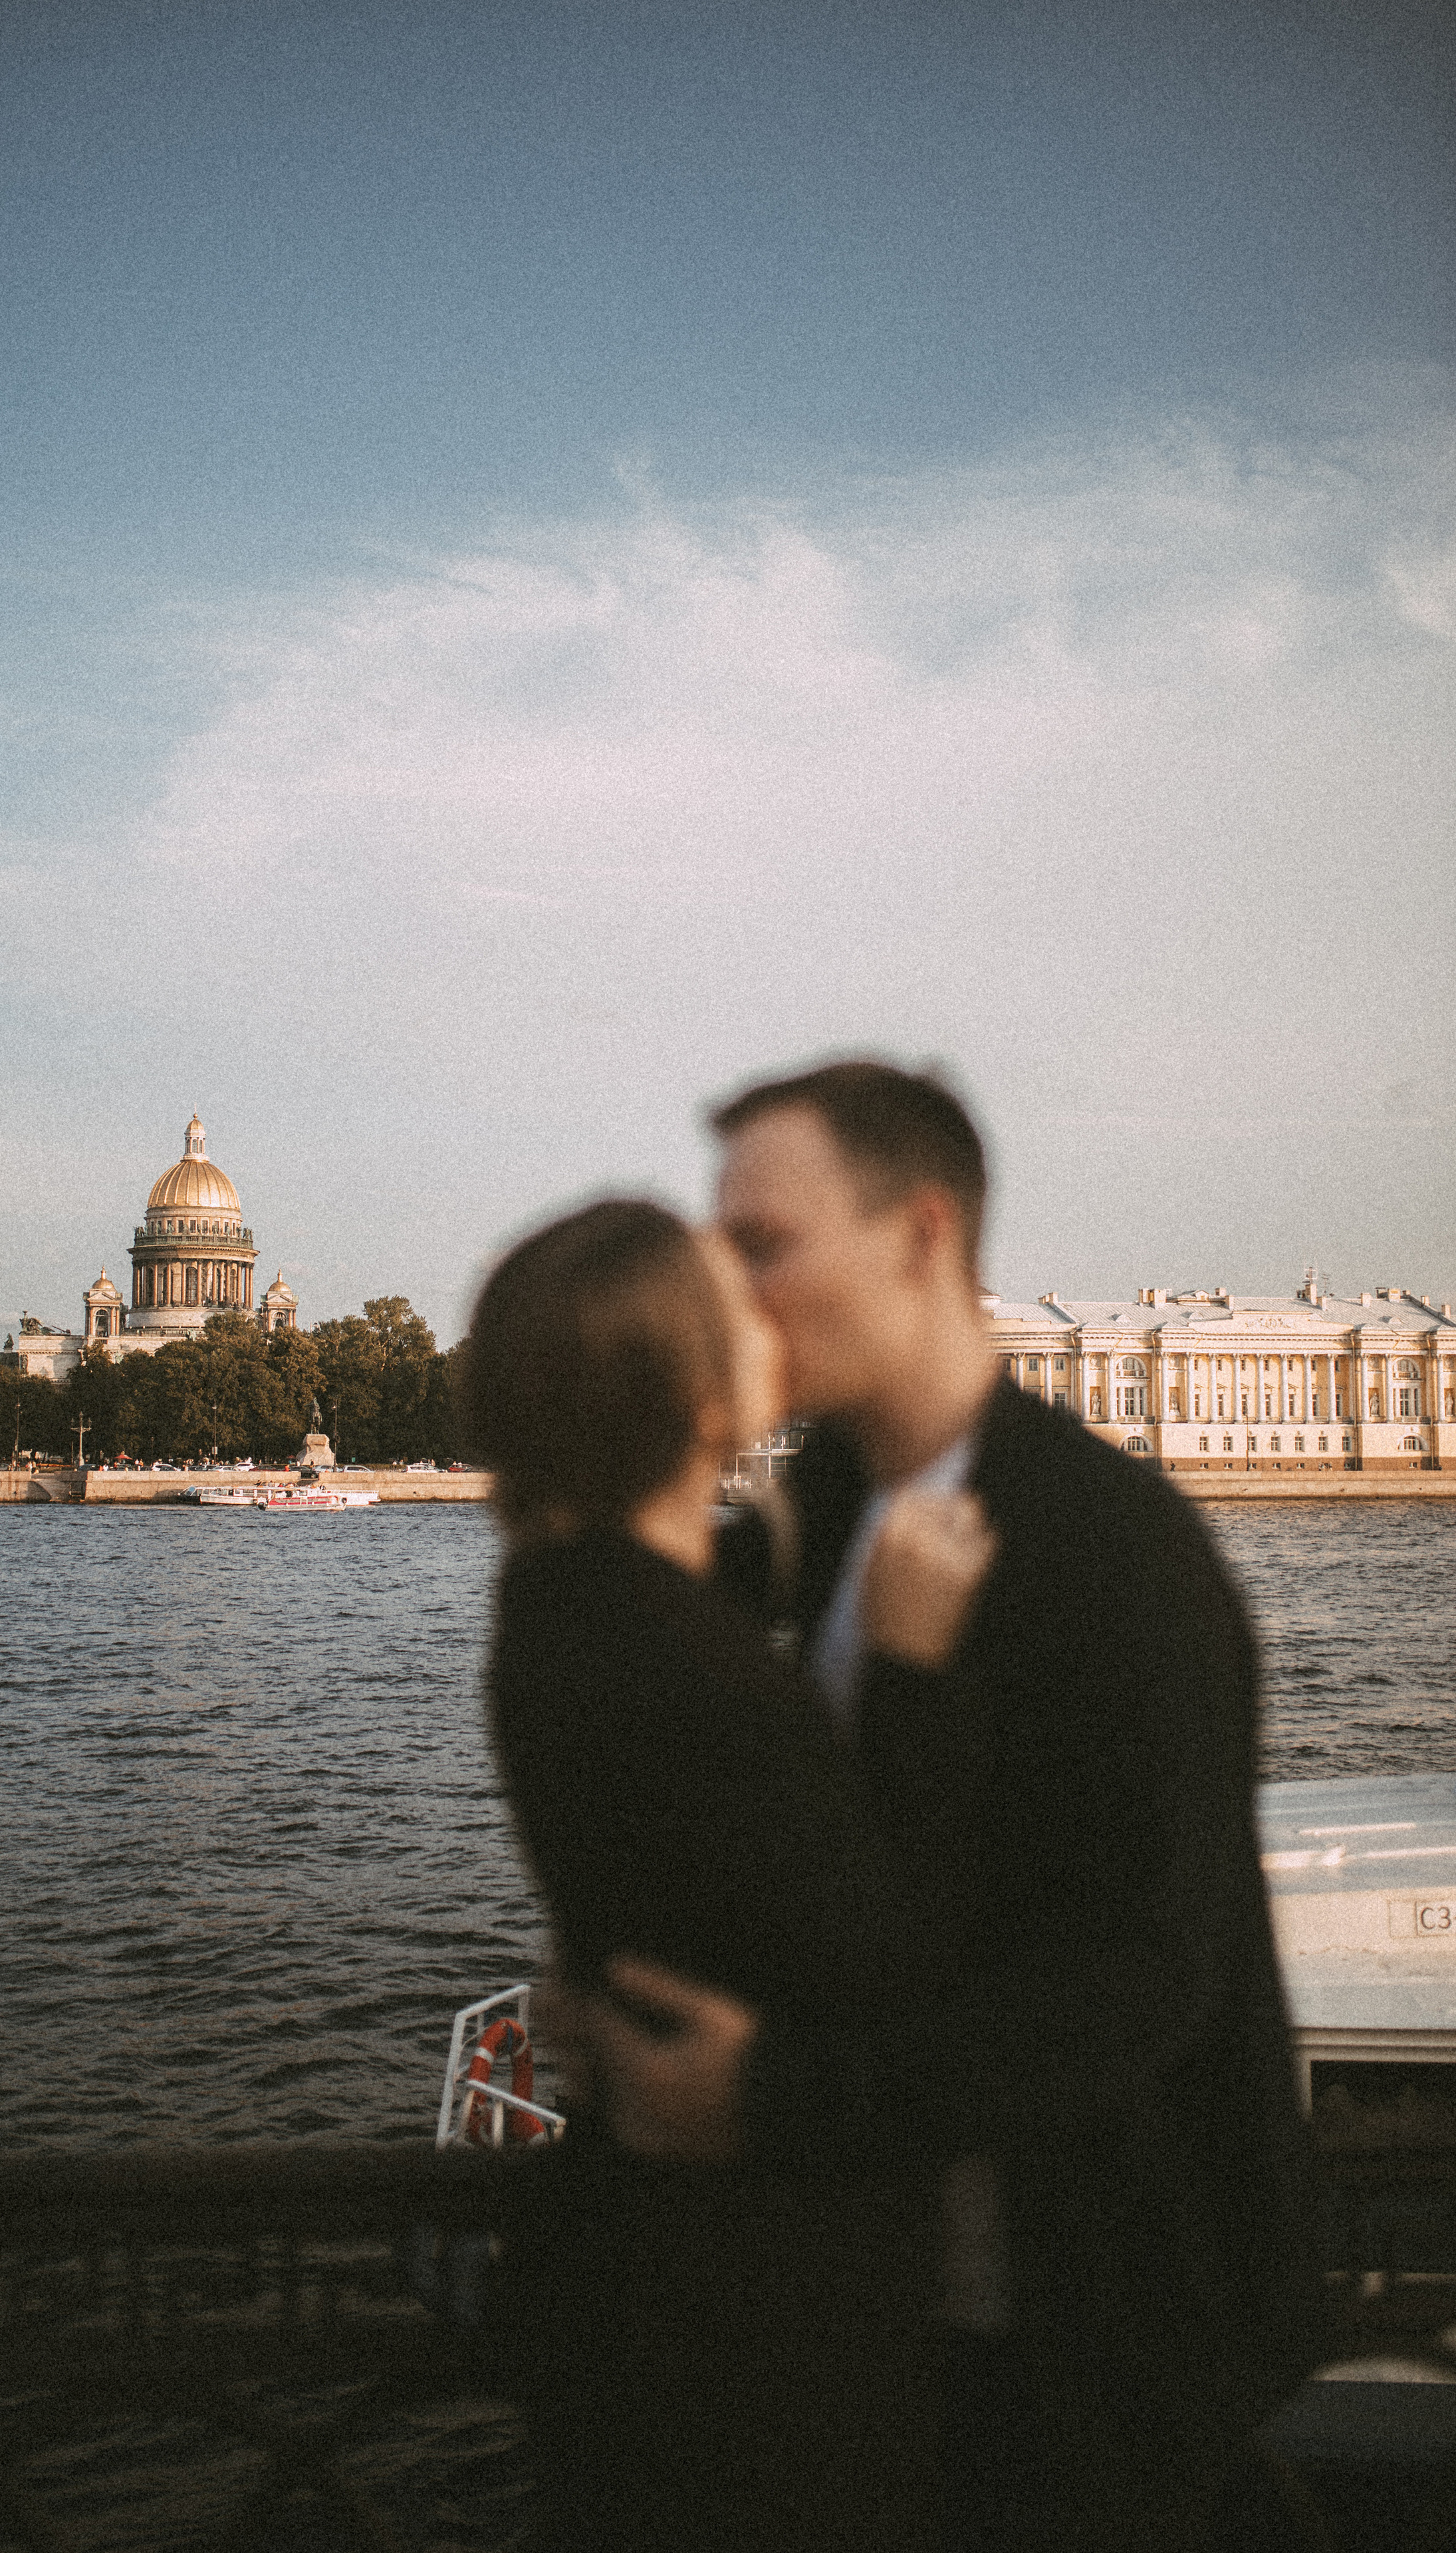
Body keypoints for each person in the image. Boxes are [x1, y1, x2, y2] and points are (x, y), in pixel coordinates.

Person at [547, 1061, 1324, 2553]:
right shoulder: (827, 1508)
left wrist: (765, 2096)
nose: (729, 1290)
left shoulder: (1112, 1557)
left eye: (761, 1244)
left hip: (1079, 2344)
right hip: (887, 2327)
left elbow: (1134, 1987)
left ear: (914, 1237)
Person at [466, 1197, 981, 2553]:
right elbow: (900, 1946)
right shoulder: (682, 1672)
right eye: (730, 1303)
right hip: (753, 2309)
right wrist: (910, 1667)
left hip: (635, 2271)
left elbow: (700, 1574)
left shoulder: (559, 1596)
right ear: (694, 1398)